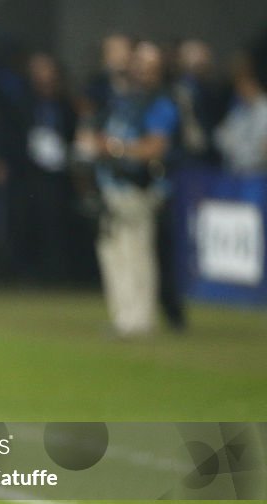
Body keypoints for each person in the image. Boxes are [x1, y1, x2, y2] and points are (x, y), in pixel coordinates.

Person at [83, 41, 181, 337]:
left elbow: (156, 147)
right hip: (112, 188)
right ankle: (123, 315)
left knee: (137, 252)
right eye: (138, 64)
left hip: (138, 188)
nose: (141, 71)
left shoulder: (161, 102)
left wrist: (112, 149)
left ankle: (139, 318)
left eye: (148, 67)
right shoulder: (127, 100)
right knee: (114, 253)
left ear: (160, 71)